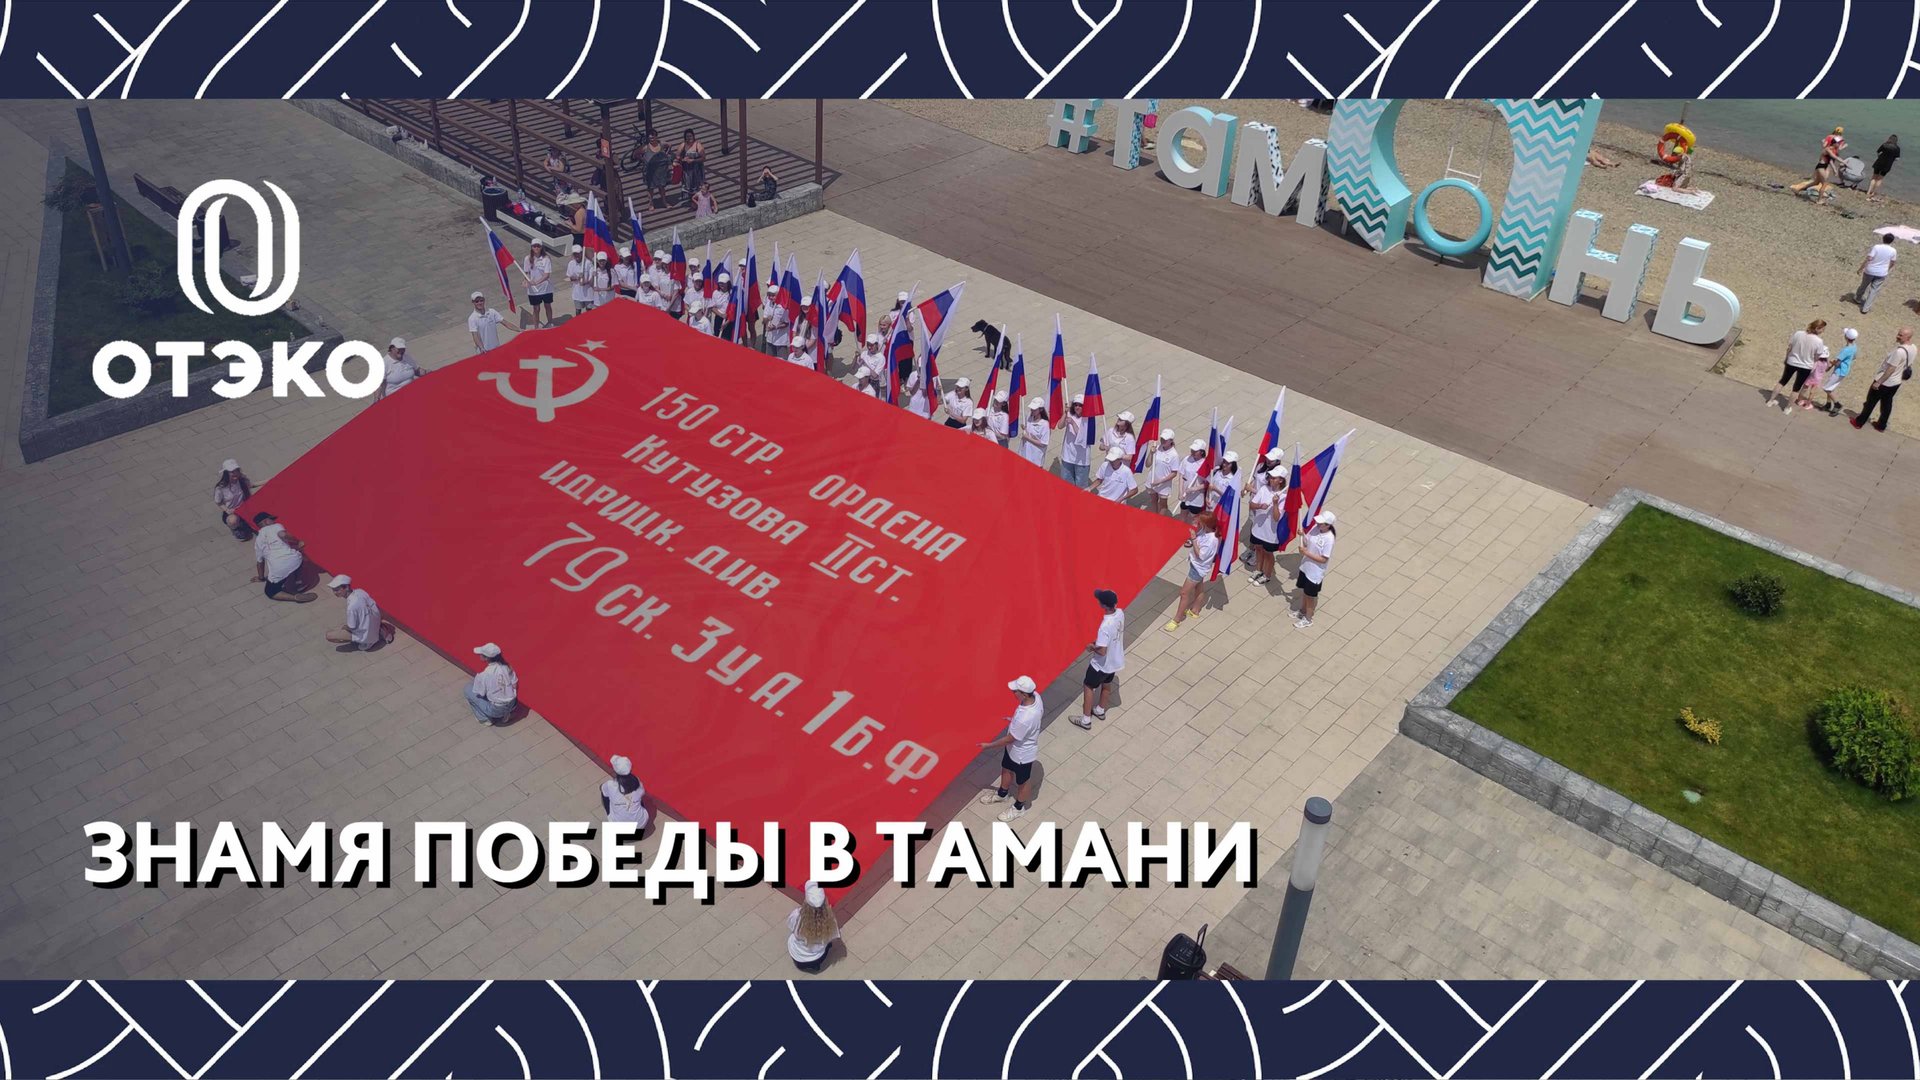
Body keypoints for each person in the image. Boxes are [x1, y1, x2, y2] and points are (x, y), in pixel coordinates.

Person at [978, 674, 1043, 822]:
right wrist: (1013, 721)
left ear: (1024, 694)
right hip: (1012, 749)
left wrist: (988, 745)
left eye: (1015, 691)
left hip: (1022, 755)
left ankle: (1019, 808)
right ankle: (1002, 794)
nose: (1013, 693)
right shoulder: (1036, 697)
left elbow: (1010, 738)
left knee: (1023, 781)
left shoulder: (1025, 718)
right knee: (1006, 768)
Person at [1071, 589, 1125, 730]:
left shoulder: (1104, 627)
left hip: (1100, 665)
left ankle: (1086, 719)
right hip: (1114, 662)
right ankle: (1100, 710)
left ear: (1103, 605)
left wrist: (1092, 647)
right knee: (1106, 684)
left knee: (1089, 686)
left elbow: (1102, 651)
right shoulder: (1120, 613)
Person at [1851, 326, 1914, 432]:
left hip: (1885, 382)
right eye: (1898, 333)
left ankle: (1859, 422)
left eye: (1900, 335)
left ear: (1907, 337)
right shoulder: (1913, 348)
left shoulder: (1899, 352)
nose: (1897, 336)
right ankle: (1881, 425)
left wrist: (1879, 382)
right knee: (1887, 404)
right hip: (1896, 382)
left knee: (1870, 403)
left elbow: (1891, 369)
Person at [1166, 510, 1219, 631]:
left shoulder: (1211, 540)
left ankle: (1177, 620)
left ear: (1205, 524)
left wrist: (1194, 539)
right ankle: (1195, 610)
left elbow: (1201, 555)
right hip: (1199, 567)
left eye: (1200, 521)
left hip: (1198, 568)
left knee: (1184, 593)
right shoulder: (1205, 531)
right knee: (1199, 587)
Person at [250, 512, 313, 602]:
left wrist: (261, 578)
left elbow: (260, 562)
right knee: (298, 553)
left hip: (278, 568)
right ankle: (300, 581)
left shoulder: (258, 542)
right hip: (295, 560)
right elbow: (283, 535)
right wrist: (298, 541)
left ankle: (294, 597)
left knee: (270, 592)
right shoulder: (275, 526)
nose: (274, 521)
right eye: (272, 519)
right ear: (266, 521)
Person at [1766, 320, 1828, 410]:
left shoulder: (1798, 333)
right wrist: (1813, 365)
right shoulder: (1819, 341)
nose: (1823, 331)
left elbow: (1789, 347)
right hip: (1806, 366)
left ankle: (1770, 400)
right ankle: (1787, 408)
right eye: (1822, 329)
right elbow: (1817, 356)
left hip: (1792, 361)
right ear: (1817, 328)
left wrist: (1786, 358)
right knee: (1796, 388)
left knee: (1782, 381)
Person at [1294, 511, 1337, 630]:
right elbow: (1308, 541)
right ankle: (1302, 611)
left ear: (1328, 525)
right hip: (1305, 567)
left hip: (1315, 573)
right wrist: (1302, 535)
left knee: (1310, 596)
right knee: (1304, 592)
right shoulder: (1315, 528)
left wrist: (1306, 553)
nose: (1317, 524)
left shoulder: (1329, 539)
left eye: (1321, 523)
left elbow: (1323, 559)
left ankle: (1308, 619)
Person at [323, 574, 387, 651]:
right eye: (333, 590)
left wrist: (346, 628)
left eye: (337, 590)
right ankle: (379, 630)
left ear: (346, 587)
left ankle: (368, 642)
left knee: (329, 636)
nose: (335, 593)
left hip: (365, 635)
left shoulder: (351, 607)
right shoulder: (360, 591)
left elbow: (352, 626)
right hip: (375, 622)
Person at [786, 881, 839, 974]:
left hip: (797, 957)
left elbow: (790, 926)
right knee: (828, 944)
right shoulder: (830, 920)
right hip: (818, 957)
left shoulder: (797, 916)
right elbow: (833, 936)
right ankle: (815, 965)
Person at [1247, 468, 1287, 585]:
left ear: (1280, 480)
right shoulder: (1264, 489)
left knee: (1268, 554)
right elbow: (1252, 505)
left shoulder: (1284, 497)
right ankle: (1258, 570)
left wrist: (1275, 504)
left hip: (1271, 533)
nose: (1270, 480)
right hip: (1258, 529)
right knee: (1258, 549)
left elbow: (1277, 517)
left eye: (1274, 478)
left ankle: (1267, 575)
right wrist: (1260, 506)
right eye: (1270, 477)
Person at [467, 642, 518, 725]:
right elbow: (514, 685)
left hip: (496, 709)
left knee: (467, 689)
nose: (479, 655)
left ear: (486, 658)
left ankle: (484, 719)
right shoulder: (507, 667)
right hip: (512, 703)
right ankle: (507, 713)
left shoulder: (484, 675)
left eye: (481, 654)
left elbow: (480, 693)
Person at [1791, 126, 1845, 197]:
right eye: (1838, 143)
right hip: (1827, 160)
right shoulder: (1839, 140)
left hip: (1824, 159)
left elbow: (1824, 146)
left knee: (1817, 180)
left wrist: (1835, 169)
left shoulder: (1829, 137)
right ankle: (1820, 197)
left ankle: (1799, 189)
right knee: (1824, 180)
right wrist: (1844, 159)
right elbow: (1836, 153)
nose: (1838, 144)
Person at [1818, 327, 1859, 415]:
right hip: (1844, 370)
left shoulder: (1846, 350)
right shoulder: (1854, 347)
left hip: (1839, 371)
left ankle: (1837, 404)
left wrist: (1831, 363)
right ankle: (1828, 404)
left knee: (1827, 388)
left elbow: (1837, 363)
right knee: (1830, 387)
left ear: (1846, 337)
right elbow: (1854, 357)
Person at [602, 754, 649, 828]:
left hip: (619, 827)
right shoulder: (637, 782)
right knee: (638, 798)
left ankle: (609, 814)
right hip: (641, 823)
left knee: (603, 791)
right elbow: (642, 793)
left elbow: (603, 789)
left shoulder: (610, 785)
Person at [1855, 234, 1899, 314]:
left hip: (1870, 271)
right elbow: (1893, 262)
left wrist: (1861, 268)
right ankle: (1865, 308)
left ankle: (1857, 298)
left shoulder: (1876, 247)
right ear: (1892, 241)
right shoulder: (1893, 251)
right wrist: (1887, 269)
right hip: (1881, 273)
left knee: (1863, 285)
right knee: (1874, 291)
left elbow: (1869, 258)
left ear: (1883, 239)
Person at [213, 459, 252, 539]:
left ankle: (244, 522)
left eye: (236, 471)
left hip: (245, 508)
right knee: (233, 520)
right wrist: (227, 510)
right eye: (232, 472)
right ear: (226, 473)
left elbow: (251, 485)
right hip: (233, 512)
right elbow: (218, 502)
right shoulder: (220, 488)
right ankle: (235, 528)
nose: (235, 473)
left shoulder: (241, 480)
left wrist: (269, 480)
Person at [1145, 430, 1179, 516]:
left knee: (1163, 504)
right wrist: (1151, 453)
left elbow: (1174, 473)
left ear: (1171, 441)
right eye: (1162, 438)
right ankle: (1154, 517)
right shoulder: (1156, 448)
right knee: (1153, 500)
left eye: (1165, 439)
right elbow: (1147, 464)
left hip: (1164, 485)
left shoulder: (1174, 455)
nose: (1163, 441)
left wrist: (1160, 481)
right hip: (1152, 480)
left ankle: (1160, 520)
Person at [1059, 395, 1091, 485]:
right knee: (1066, 484)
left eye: (1080, 405)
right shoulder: (1070, 415)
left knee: (1080, 486)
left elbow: (1082, 437)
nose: (1077, 407)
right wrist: (1065, 413)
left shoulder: (1088, 420)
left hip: (1081, 459)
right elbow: (1060, 426)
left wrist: (1073, 423)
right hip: (1067, 456)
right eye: (1075, 405)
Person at [522, 240, 554, 328]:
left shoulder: (546, 258)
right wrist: (525, 280)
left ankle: (550, 323)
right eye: (534, 246)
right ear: (531, 247)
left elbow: (546, 275)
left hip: (546, 288)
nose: (536, 248)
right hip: (533, 290)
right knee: (536, 308)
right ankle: (536, 327)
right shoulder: (527, 258)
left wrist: (536, 282)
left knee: (547, 306)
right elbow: (526, 272)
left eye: (538, 246)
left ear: (541, 247)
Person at [1175, 439, 1208, 519]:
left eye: (1195, 451)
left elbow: (1207, 483)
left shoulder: (1205, 464)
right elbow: (1181, 476)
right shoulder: (1187, 459)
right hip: (1185, 495)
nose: (1192, 452)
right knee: (1182, 516)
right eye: (1192, 449)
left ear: (1201, 452)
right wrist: (1180, 492)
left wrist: (1195, 488)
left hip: (1196, 498)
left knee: (1194, 519)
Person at [642, 135, 673, 207]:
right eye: (650, 138)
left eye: (653, 138)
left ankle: (664, 202)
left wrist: (666, 153)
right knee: (650, 188)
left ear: (656, 137)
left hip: (661, 169)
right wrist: (643, 159)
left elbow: (669, 145)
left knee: (662, 187)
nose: (651, 139)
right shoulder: (646, 147)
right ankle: (651, 204)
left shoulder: (661, 144)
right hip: (650, 170)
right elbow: (636, 153)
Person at [1019, 397, 1050, 467]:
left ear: (1041, 409)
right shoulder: (1029, 417)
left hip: (1035, 458)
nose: (1032, 410)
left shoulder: (1045, 424)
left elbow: (1043, 443)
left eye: (1034, 409)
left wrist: (1028, 438)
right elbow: (1029, 432)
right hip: (1024, 454)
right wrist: (1025, 428)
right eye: (1031, 409)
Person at [677, 129, 706, 203]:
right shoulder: (683, 145)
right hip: (687, 170)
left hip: (697, 170)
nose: (689, 138)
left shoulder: (698, 145)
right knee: (688, 186)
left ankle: (700, 201)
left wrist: (693, 160)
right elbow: (677, 156)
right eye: (687, 136)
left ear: (693, 136)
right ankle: (692, 201)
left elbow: (703, 158)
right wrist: (683, 159)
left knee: (698, 185)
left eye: (690, 136)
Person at [761, 290, 792, 359]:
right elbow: (763, 321)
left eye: (773, 295)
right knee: (769, 360)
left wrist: (775, 327)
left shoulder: (783, 306)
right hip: (770, 338)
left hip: (780, 339)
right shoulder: (768, 304)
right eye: (769, 295)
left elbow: (786, 323)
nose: (771, 297)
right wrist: (767, 319)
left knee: (782, 361)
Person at [1869, 135, 1900, 201]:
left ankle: (1868, 192)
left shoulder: (1884, 145)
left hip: (1879, 162)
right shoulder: (1897, 148)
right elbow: (1897, 158)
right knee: (1880, 179)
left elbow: (1878, 152)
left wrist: (1879, 157)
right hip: (1887, 165)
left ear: (1889, 139)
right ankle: (1873, 192)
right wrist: (1891, 159)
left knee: (1874, 177)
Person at [566, 244, 590, 315]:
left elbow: (591, 277)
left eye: (578, 253)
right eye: (575, 254)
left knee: (589, 311)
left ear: (581, 253)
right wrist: (577, 278)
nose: (576, 255)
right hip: (577, 292)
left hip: (588, 292)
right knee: (578, 311)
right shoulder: (571, 263)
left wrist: (585, 281)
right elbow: (569, 277)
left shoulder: (588, 263)